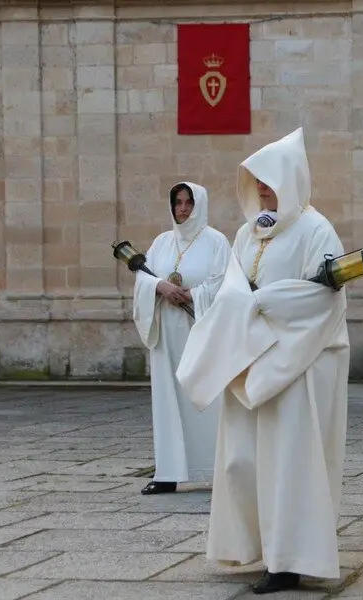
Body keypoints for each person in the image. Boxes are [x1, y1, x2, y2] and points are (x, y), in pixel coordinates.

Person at [175, 128, 350, 594]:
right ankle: (252, 545)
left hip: (300, 362)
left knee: (289, 462)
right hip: (251, 358)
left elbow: (323, 298)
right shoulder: (248, 232)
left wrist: (261, 304)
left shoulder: (317, 230)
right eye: (257, 182)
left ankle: (289, 560)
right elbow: (233, 287)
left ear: (291, 180)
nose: (262, 190)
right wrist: (242, 310)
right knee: (243, 461)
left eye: (269, 182)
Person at [132, 181, 229, 495]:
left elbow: (225, 283)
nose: (183, 209)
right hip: (167, 336)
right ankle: (169, 472)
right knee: (168, 400)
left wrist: (192, 295)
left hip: (198, 332)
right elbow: (144, 277)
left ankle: (217, 470)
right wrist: (160, 287)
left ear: (199, 205)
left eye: (189, 203)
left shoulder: (216, 241)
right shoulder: (162, 242)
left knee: (205, 398)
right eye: (178, 202)